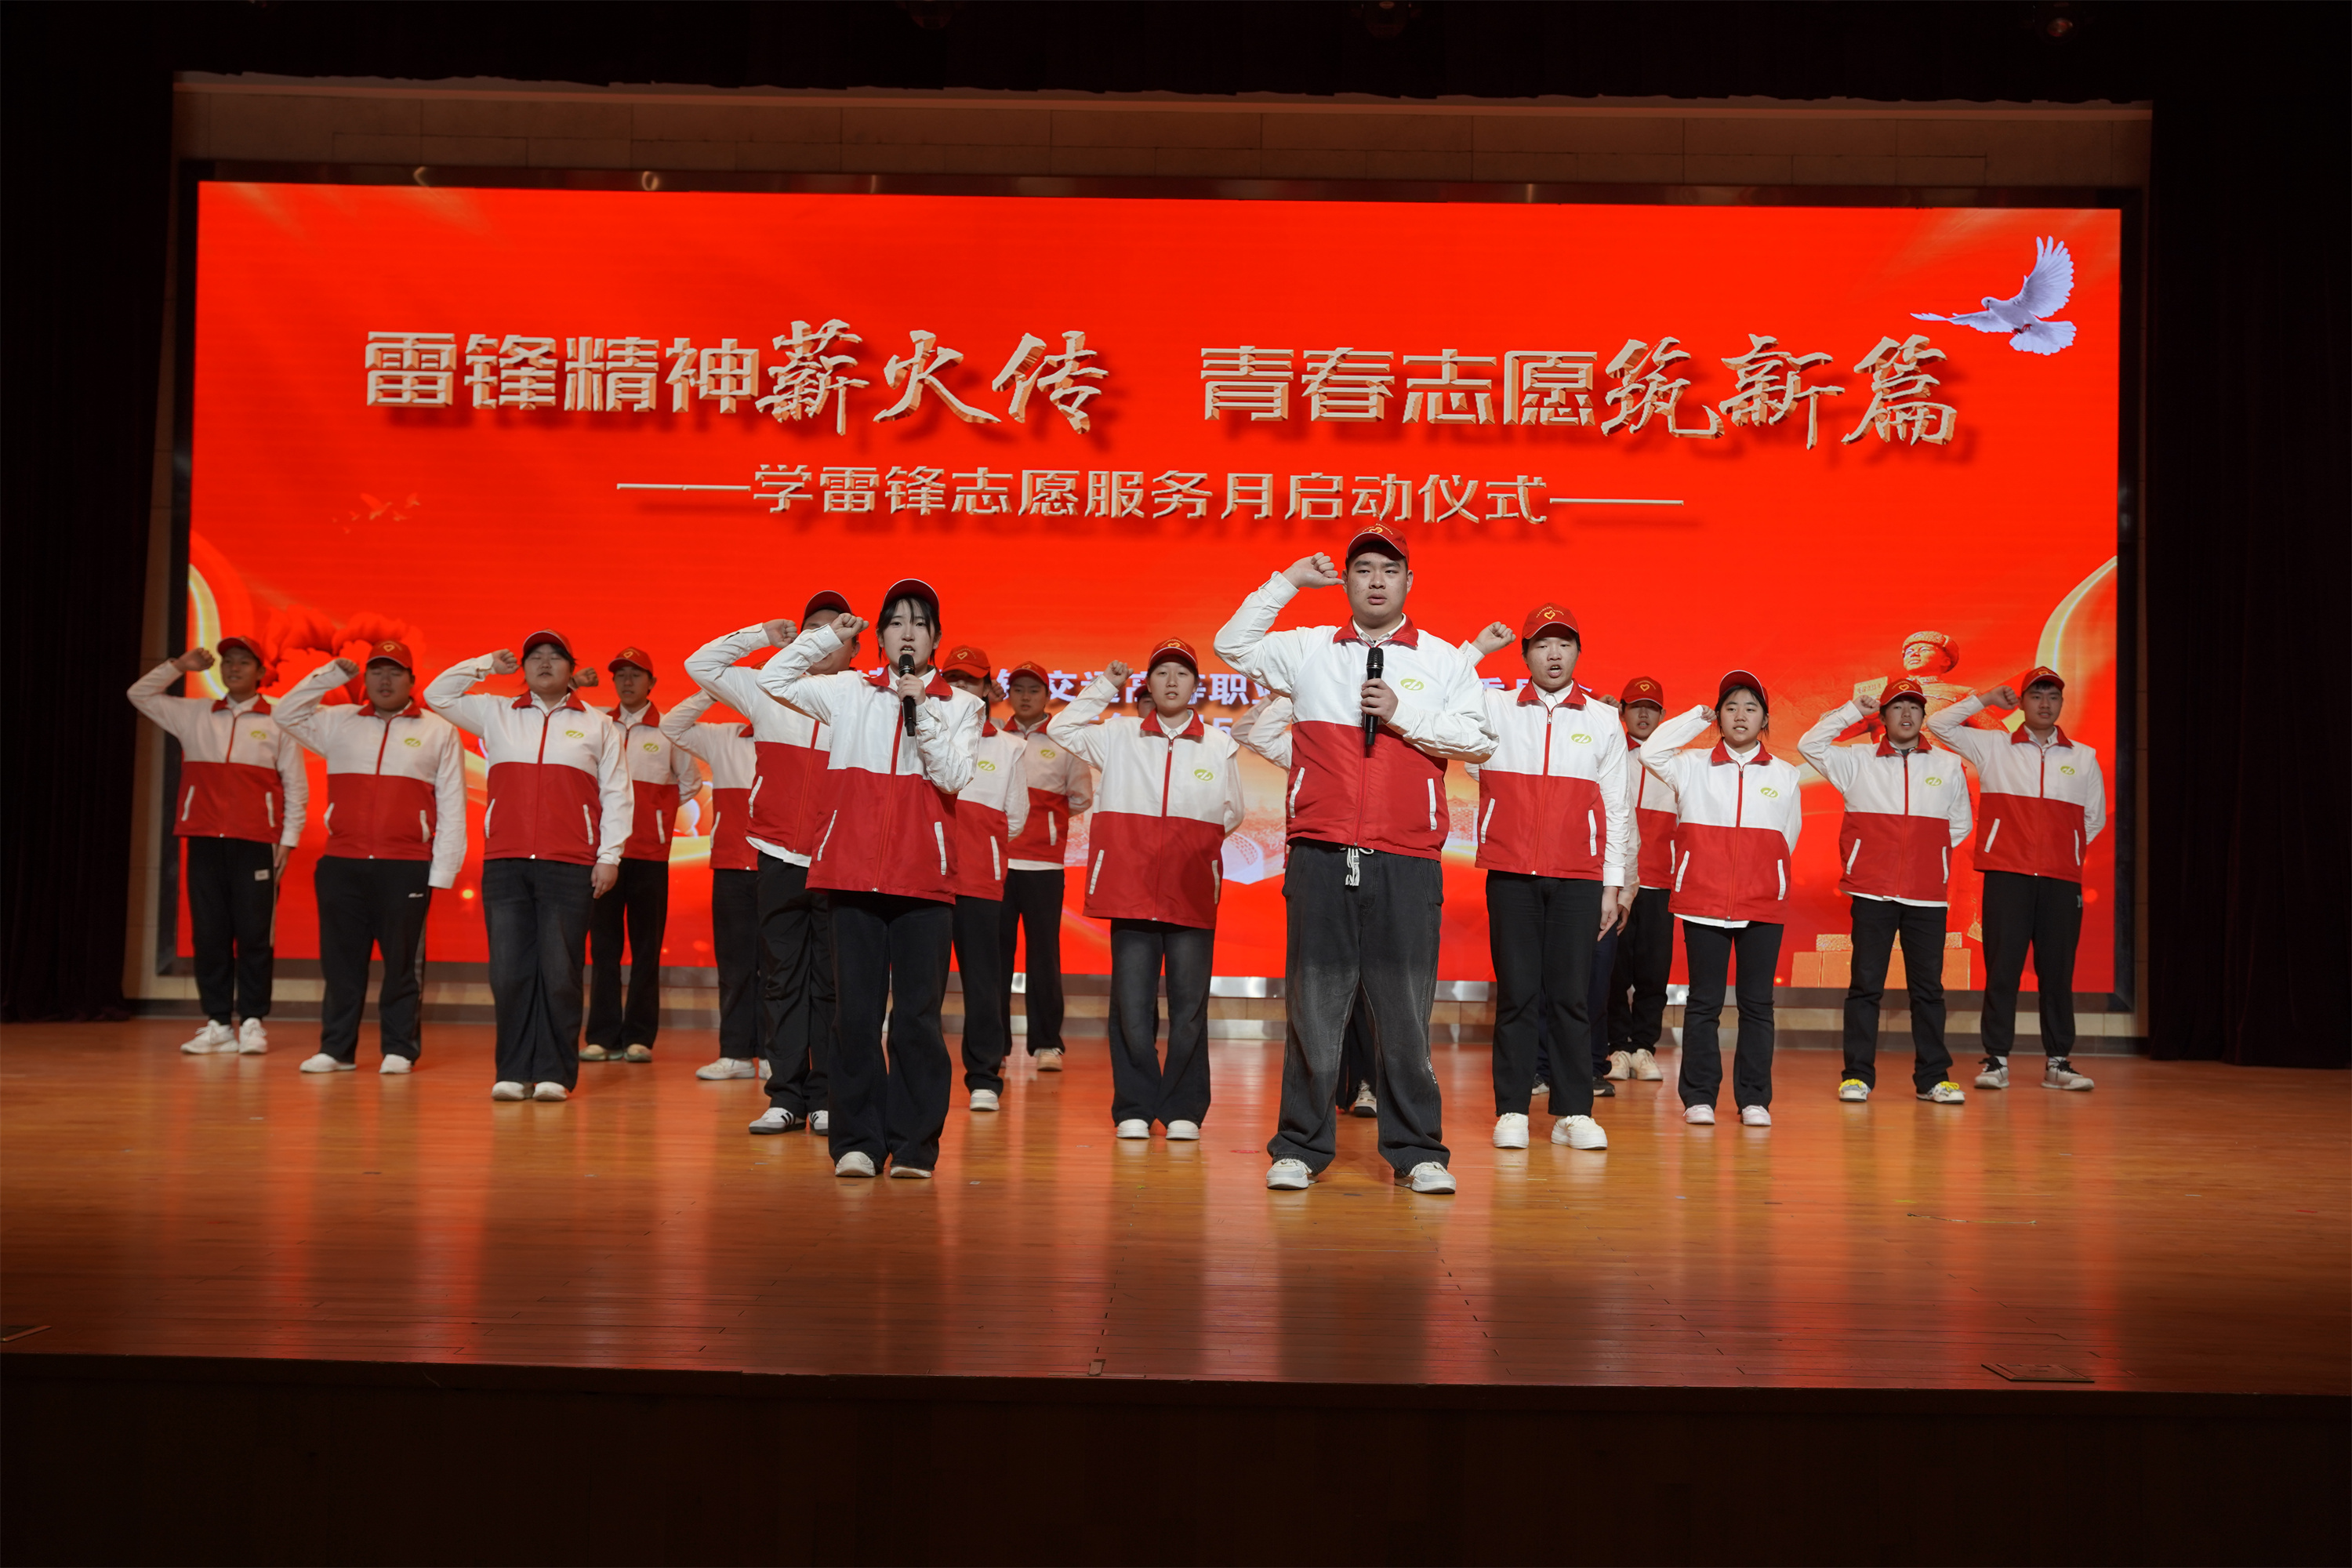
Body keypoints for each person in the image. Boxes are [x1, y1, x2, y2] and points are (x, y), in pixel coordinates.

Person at [1215, 524, 1496, 1195]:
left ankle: (1417, 1150)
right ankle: (1299, 1146)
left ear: (1408, 583)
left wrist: (1405, 714)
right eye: (1363, 568)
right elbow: (1232, 644)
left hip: (1407, 859)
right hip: (1321, 851)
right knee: (1313, 1009)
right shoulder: (1310, 649)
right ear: (1344, 580)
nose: (1376, 580)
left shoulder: (1442, 660)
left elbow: (1479, 740)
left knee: (1404, 1015)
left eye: (1389, 570)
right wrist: (1288, 581)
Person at [758, 580, 982, 1179]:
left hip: (923, 880)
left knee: (916, 1020)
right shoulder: (848, 692)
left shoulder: (963, 706)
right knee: (854, 1017)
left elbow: (954, 776)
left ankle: (914, 1146)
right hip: (852, 874)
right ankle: (857, 1141)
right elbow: (774, 679)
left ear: (936, 638)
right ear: (880, 636)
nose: (907, 633)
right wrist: (827, 638)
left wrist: (922, 709)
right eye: (896, 622)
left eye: (919, 623)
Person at [1049, 641, 1245, 1142]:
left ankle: (1184, 1109)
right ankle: (1134, 1105)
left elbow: (1232, 811)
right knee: (1132, 1006)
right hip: (1128, 888)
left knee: (1189, 1006)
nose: (1172, 681)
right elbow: (1061, 728)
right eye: (1162, 673)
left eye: (1183, 673)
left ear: (1196, 685)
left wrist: (1189, 852)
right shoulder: (1118, 735)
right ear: (1149, 684)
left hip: (1190, 890)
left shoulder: (1219, 745)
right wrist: (1104, 687)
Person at [424, 631, 632, 1102]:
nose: (544, 663)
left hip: (570, 863)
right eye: (535, 656)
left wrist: (609, 856)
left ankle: (555, 1072)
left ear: (571, 669)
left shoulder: (599, 725)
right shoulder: (496, 713)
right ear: (522, 668)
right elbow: (438, 694)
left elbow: (617, 794)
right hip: (506, 861)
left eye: (555, 656)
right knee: (508, 973)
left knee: (560, 972)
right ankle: (514, 1071)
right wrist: (484, 663)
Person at [1457, 605, 1631, 1152]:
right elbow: (1444, 690)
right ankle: (1511, 1109)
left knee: (1572, 997)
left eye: (1564, 644)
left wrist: (1612, 885)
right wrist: (1476, 649)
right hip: (1511, 872)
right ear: (1525, 654)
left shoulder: (1603, 719)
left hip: (1579, 877)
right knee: (1516, 995)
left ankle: (1573, 1112)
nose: (1553, 654)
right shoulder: (1496, 708)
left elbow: (1617, 807)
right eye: (1541, 644)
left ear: (1578, 652)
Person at [684, 593, 858, 1136]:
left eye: (835, 632)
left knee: (831, 982)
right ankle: (785, 1096)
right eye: (813, 631)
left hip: (838, 860)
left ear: (854, 646)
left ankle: (826, 1096)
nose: (823, 641)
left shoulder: (864, 696)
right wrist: (762, 635)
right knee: (782, 979)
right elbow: (700, 665)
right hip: (777, 854)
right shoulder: (766, 688)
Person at [276, 641, 466, 1075]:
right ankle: (336, 1050)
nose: (385, 680)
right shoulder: (338, 722)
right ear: (364, 678)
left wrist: (442, 871)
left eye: (395, 672)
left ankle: (400, 1048)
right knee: (341, 962)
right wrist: (330, 677)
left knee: (402, 964)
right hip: (342, 863)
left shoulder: (438, 731)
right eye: (377, 671)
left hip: (406, 866)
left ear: (412, 680)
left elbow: (453, 805)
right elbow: (285, 713)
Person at [1929, 667, 2107, 1093]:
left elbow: (2093, 819)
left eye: (2053, 697)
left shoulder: (2084, 757)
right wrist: (1987, 698)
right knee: (2002, 970)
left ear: (2061, 704)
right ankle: (1997, 1060)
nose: (2045, 704)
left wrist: (2063, 850)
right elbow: (1939, 724)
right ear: (2023, 702)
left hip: (2060, 879)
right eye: (2036, 696)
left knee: (2057, 973)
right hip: (2007, 875)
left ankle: (2058, 1062)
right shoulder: (1994, 746)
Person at [1637, 672, 1802, 1128]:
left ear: (1765, 719)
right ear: (1718, 716)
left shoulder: (1786, 774)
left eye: (1751, 707)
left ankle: (1754, 1099)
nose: (1740, 716)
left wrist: (1766, 876)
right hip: (1702, 900)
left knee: (1757, 1004)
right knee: (1704, 1003)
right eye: (1730, 707)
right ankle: (1699, 1097)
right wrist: (1697, 716)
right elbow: (1650, 751)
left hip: (1762, 903)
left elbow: (1788, 837)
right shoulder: (1690, 765)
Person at [128, 636, 307, 1055]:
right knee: (209, 934)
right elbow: (139, 694)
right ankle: (217, 1023)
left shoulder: (280, 719)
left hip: (257, 842)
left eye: (244, 662)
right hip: (205, 838)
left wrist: (289, 840)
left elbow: (296, 787)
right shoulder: (195, 714)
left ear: (261, 672)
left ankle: (253, 1022)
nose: (234, 668)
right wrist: (179, 665)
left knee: (254, 935)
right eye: (228, 661)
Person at [1798, 677, 1973, 1105]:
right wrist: (1851, 711)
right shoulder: (1856, 761)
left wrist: (1926, 857)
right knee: (1865, 987)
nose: (1906, 713)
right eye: (1897, 706)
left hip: (1926, 895)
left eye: (1914, 706)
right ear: (1883, 716)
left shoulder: (1948, 765)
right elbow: (1809, 744)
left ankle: (1933, 1078)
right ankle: (1857, 1076)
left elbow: (1960, 824)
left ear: (1924, 716)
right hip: (1872, 891)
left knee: (1928, 991)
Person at [1232, 692, 1382, 1122]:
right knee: (1321, 986)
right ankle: (1326, 1091)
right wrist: (1292, 693)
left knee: (1370, 988)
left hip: (1379, 869)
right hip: (1319, 871)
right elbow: (1251, 733)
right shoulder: (1309, 749)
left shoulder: (1383, 747)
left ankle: (1368, 1084)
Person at [580, 645, 701, 1065]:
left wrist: (656, 816)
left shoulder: (668, 730)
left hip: (650, 855)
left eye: (636, 674)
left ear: (652, 683)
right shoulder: (599, 724)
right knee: (604, 949)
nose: (627, 681)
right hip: (606, 856)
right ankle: (602, 1036)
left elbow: (690, 782)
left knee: (647, 949)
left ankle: (639, 1037)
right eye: (620, 675)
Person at [659, 688, 770, 1083]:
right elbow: (671, 725)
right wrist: (711, 690)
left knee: (780, 967)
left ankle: (776, 1054)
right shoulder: (724, 737)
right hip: (731, 866)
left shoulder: (804, 735)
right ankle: (736, 1053)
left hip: (783, 867)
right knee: (735, 966)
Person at [938, 644, 1029, 1112]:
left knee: (983, 984)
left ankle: (984, 1078)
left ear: (988, 688)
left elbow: (1015, 817)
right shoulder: (921, 736)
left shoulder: (1010, 747)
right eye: (952, 679)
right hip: (928, 880)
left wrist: (981, 846)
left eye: (970, 680)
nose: (960, 688)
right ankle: (921, 1076)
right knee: (923, 987)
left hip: (980, 883)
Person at [999, 659, 1093, 1072]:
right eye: (1018, 689)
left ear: (1047, 695)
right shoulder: (994, 736)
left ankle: (1047, 1044)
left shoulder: (1063, 741)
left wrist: (1048, 825)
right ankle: (996, 1044)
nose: (1025, 697)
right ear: (1008, 695)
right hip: (999, 865)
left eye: (1033, 690)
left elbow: (1081, 797)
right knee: (996, 958)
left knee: (1043, 957)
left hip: (1044, 867)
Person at [1603, 677, 1676, 1085]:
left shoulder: (1677, 763)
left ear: (1663, 716)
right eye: (1635, 707)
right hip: (1615, 881)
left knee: (1653, 973)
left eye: (1652, 708)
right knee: (1613, 971)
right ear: (1622, 712)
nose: (1644, 714)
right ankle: (1617, 1047)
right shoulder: (1610, 753)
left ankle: (1644, 1048)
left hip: (1661, 883)